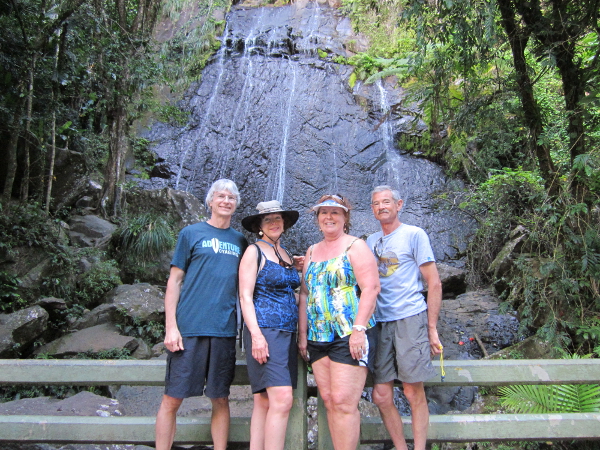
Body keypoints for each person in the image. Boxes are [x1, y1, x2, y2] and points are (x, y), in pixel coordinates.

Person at [155, 179, 248, 450]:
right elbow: (174, 281)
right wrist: (170, 327)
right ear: (210, 201)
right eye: (221, 196)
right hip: (189, 328)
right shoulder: (191, 233)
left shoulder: (240, 241)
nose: (226, 201)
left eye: (231, 197)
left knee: (220, 397)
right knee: (172, 398)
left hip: (223, 329)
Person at [298, 194, 380, 450]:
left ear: (345, 218)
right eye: (324, 212)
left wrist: (358, 330)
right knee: (331, 400)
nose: (329, 217)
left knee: (344, 403)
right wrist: (303, 335)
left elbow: (371, 288)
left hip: (349, 334)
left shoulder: (356, 246)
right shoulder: (311, 251)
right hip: (318, 336)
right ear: (317, 219)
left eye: (335, 212)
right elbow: (304, 293)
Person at [366, 185, 443, 450]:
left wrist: (432, 328)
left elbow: (433, 283)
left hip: (410, 317)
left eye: (386, 202)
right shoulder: (370, 241)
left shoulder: (414, 234)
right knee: (382, 394)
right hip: (380, 322)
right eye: (376, 204)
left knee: (412, 390)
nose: (381, 207)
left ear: (399, 205)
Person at [238, 200, 303, 450]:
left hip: (287, 332)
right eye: (268, 219)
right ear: (259, 227)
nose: (275, 223)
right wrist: (256, 335)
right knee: (282, 400)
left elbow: (290, 293)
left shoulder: (285, 253)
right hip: (265, 329)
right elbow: (245, 295)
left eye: (278, 218)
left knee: (264, 401)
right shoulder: (254, 252)